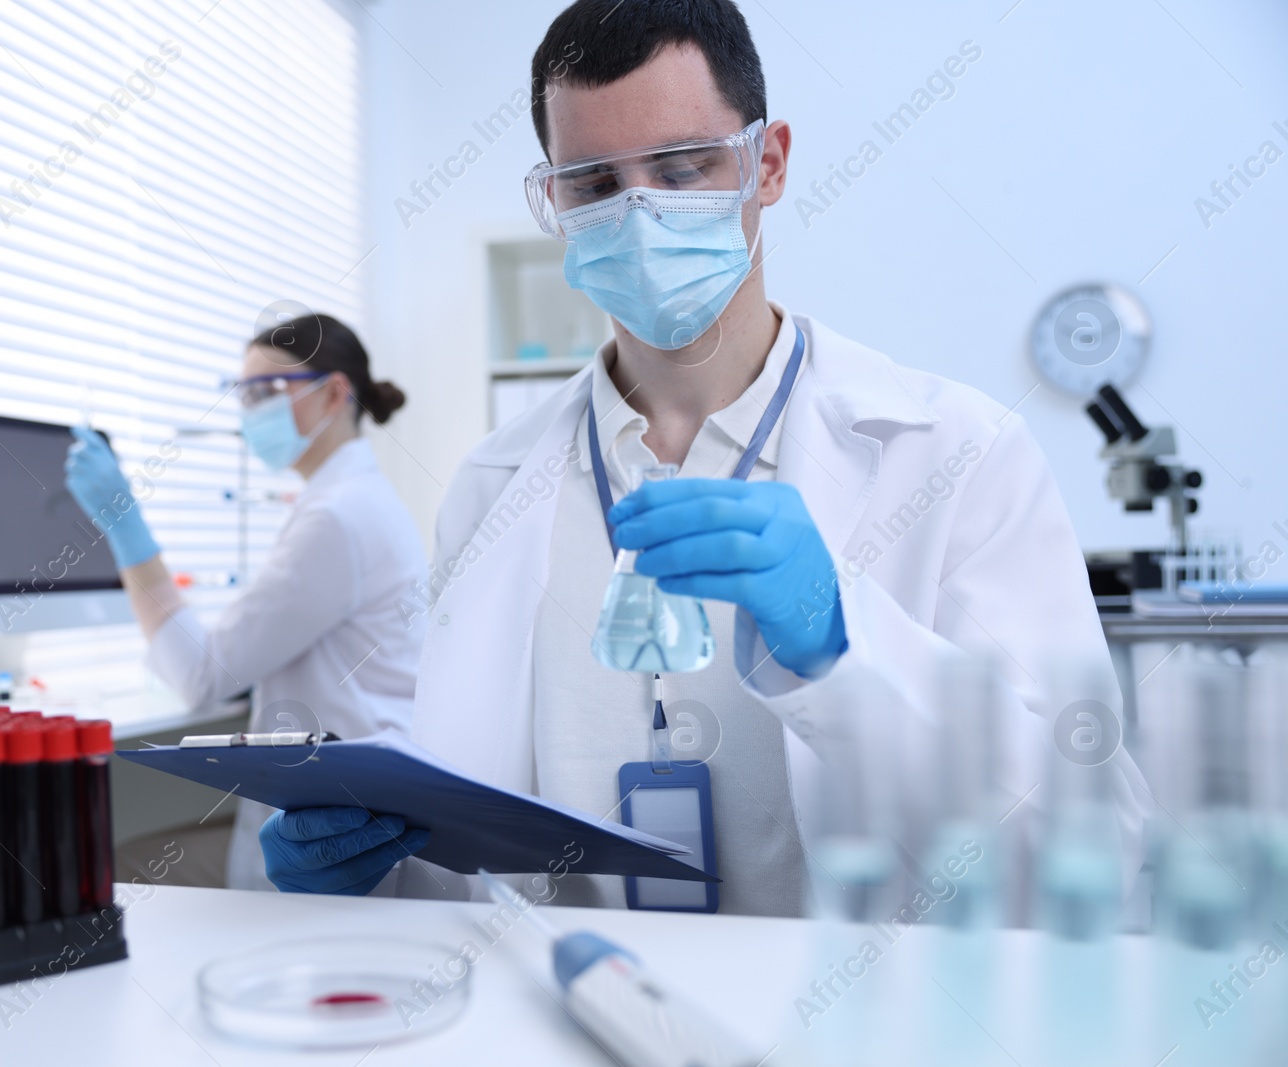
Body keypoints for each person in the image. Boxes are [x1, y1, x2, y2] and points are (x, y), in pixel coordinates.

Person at [257, 0, 1150, 911]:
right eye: (595, 186)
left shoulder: (960, 455)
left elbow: (1099, 851)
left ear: (767, 165)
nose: (641, 213)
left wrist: (848, 645)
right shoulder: (490, 486)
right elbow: (471, 852)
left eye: (683, 170)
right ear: (554, 199)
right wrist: (368, 863)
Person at [65, 312, 428, 890]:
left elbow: (203, 677)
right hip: (359, 806)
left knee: (110, 867)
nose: (249, 411)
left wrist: (123, 525)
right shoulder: (350, 500)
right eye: (242, 394)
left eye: (266, 391)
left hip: (347, 836)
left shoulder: (336, 517)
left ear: (335, 393)